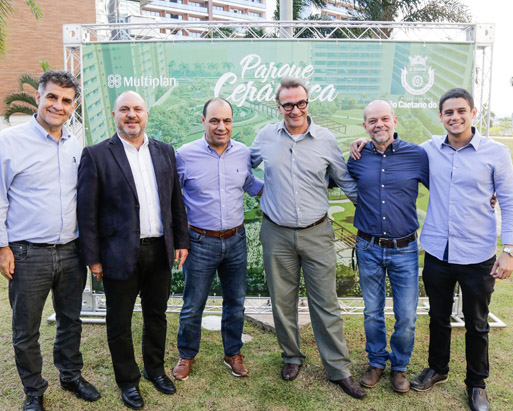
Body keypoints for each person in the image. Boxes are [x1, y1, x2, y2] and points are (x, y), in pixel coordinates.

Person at [0, 70, 100, 411]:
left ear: (73, 105)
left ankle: (70, 375)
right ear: (38, 97)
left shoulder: (74, 146)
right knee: (26, 328)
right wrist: (2, 247)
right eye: (52, 97)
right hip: (27, 253)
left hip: (71, 252)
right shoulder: (8, 142)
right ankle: (34, 390)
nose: (58, 106)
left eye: (65, 100)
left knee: (71, 320)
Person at [250, 76, 366, 399]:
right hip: (276, 233)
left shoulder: (326, 140)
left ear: (307, 103)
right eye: (288, 104)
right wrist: (258, 190)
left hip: (317, 232)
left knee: (326, 303)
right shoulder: (264, 137)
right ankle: (291, 357)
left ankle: (339, 369)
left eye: (301, 103)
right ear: (278, 107)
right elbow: (241, 166)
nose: (295, 109)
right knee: (282, 301)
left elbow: (346, 181)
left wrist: (372, 215)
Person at [76, 90, 189, 410]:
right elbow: (87, 211)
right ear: (115, 115)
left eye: (137, 109)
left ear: (146, 114)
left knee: (157, 316)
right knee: (119, 322)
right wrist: (93, 258)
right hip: (118, 254)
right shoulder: (96, 155)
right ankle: (128, 381)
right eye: (124, 109)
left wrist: (181, 240)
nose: (131, 115)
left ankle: (155, 371)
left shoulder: (165, 152)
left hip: (160, 250)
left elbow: (175, 201)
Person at [409, 88, 513, 411]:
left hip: (478, 255)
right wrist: (362, 144)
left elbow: (510, 202)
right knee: (438, 316)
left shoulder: (496, 153)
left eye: (461, 111)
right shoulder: (429, 149)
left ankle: (476, 384)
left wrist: (509, 249)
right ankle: (438, 368)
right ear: (440, 116)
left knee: (477, 322)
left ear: (473, 112)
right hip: (437, 252)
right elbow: (395, 150)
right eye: (448, 112)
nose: (455, 117)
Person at [172, 98, 263, 381]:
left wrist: (287, 188)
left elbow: (252, 186)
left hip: (236, 240)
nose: (221, 127)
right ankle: (186, 355)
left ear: (232, 122)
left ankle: (232, 353)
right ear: (203, 121)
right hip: (199, 242)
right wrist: (180, 238)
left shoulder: (243, 153)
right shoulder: (184, 155)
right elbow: (173, 199)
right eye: (214, 120)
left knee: (235, 302)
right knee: (193, 305)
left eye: (227, 121)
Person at [347, 100, 429, 393]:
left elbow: (445, 187)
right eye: (372, 121)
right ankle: (377, 362)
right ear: (365, 126)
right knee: (372, 312)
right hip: (368, 247)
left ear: (394, 121)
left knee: (406, 315)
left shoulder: (417, 155)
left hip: (405, 249)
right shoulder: (357, 157)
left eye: (384, 119)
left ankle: (400, 367)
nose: (378, 125)